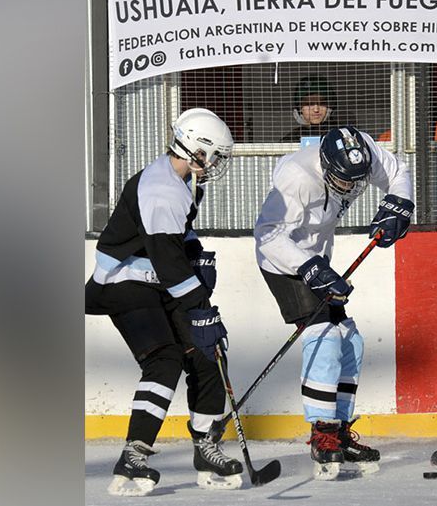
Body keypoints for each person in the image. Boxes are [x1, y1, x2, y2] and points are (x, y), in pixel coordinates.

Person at [85, 108, 244, 496]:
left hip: (157, 279)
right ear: (196, 149)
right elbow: (168, 262)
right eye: (216, 155)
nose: (218, 163)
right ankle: (134, 455)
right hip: (124, 281)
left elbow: (177, 239)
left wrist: (197, 252)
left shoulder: (185, 180)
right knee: (165, 359)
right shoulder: (160, 189)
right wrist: (200, 306)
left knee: (207, 353)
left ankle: (206, 446)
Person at [254, 125, 414, 480]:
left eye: (357, 179)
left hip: (318, 259)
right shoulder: (295, 178)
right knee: (324, 336)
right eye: (343, 180)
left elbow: (397, 172)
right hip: (284, 263)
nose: (351, 187)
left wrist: (400, 205)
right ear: (325, 165)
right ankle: (322, 435)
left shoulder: (361, 151)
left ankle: (338, 430)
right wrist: (309, 267)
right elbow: (267, 235)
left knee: (350, 340)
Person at [276, 75, 344, 143]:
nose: (316, 110)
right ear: (299, 108)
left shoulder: (342, 134)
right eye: (309, 104)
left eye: (322, 103)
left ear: (329, 107)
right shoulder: (291, 139)